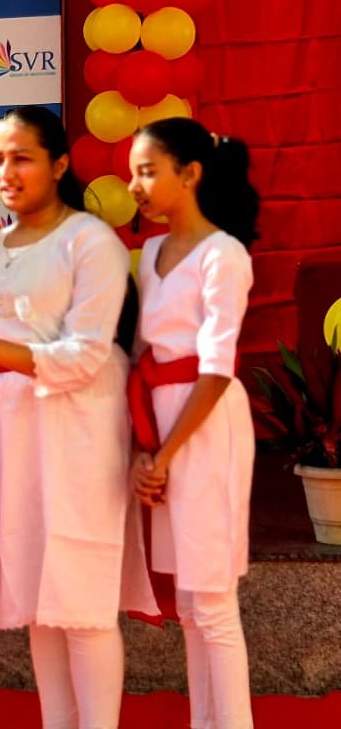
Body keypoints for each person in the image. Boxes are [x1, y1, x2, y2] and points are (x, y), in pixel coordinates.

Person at [0, 105, 155, 729]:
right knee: (38, 600)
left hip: (81, 431)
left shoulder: (90, 242)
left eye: (22, 157)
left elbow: (92, 352)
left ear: (60, 164)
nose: (6, 171)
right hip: (13, 434)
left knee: (85, 605)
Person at [128, 117, 259, 729]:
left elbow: (215, 370)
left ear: (190, 174)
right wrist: (142, 450)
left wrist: (166, 454)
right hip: (161, 432)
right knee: (187, 600)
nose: (135, 186)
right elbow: (138, 359)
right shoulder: (150, 252)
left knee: (211, 601)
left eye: (148, 171)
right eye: (133, 172)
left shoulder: (223, 255)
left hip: (206, 432)